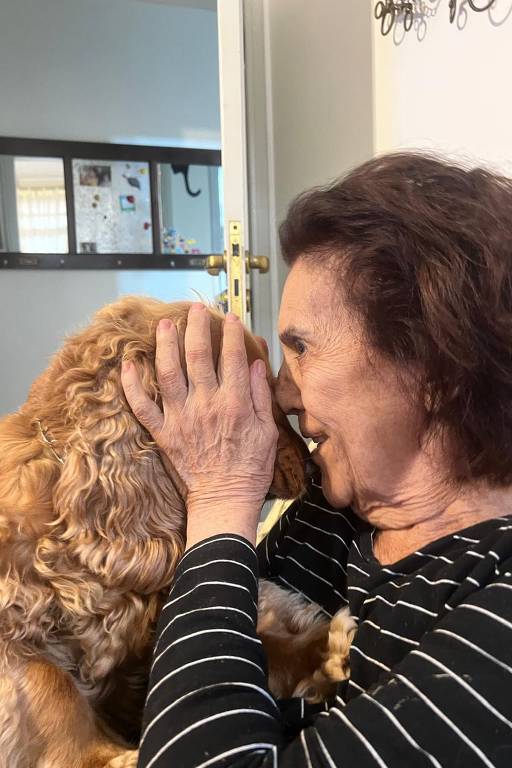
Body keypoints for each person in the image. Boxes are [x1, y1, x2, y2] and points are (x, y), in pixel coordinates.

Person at [121, 152, 512, 767]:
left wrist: (221, 504)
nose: (280, 390)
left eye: (300, 349)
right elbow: (195, 671)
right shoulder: (336, 510)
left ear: (434, 364)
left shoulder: (498, 604)